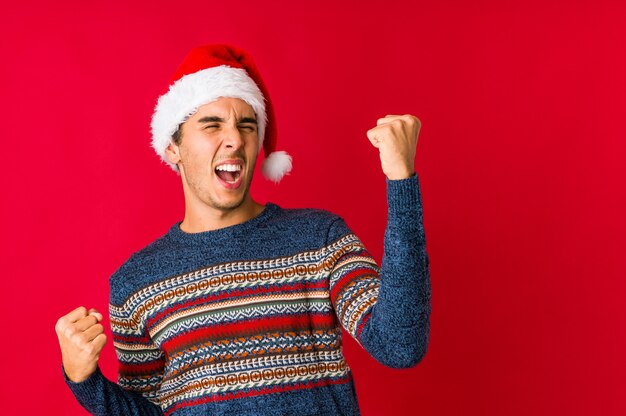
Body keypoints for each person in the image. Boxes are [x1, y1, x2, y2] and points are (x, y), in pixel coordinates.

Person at [54, 44, 431, 416]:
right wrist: (83, 380)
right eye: (212, 124)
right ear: (173, 148)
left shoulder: (320, 238)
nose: (235, 138)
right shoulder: (136, 283)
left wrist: (401, 181)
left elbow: (399, 345)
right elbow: (148, 410)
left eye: (246, 125)